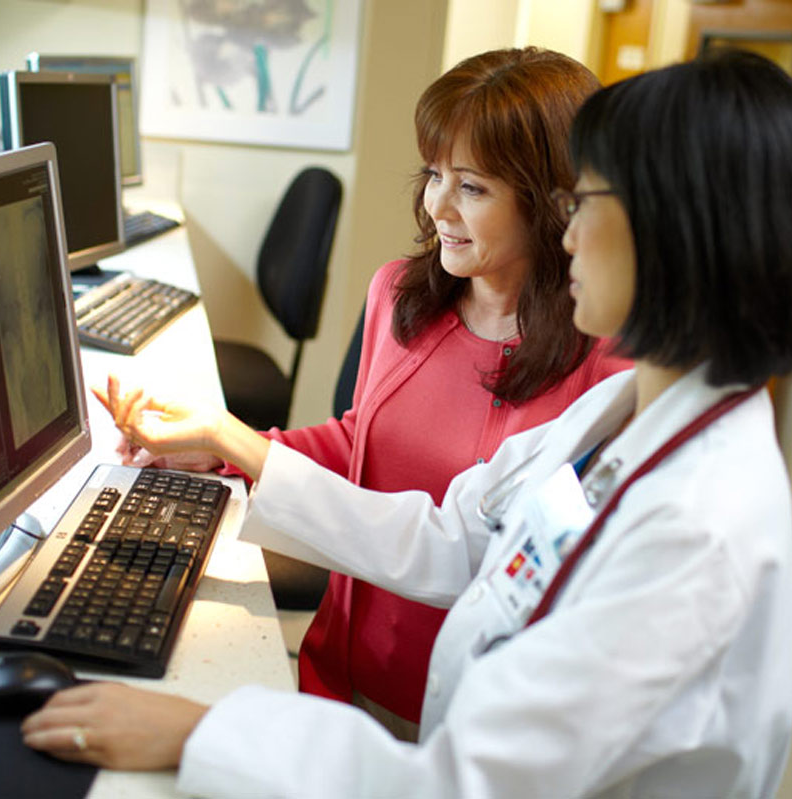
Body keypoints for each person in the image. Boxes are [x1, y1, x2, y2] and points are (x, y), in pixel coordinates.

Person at [24, 48, 792, 797]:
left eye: (585, 200)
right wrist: (234, 445)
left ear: (674, 235)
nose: (569, 229)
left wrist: (205, 730)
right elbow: (456, 538)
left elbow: (466, 786)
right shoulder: (628, 416)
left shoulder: (694, 532)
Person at [118, 46, 630, 736]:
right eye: (433, 174)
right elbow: (359, 443)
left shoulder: (604, 369)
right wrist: (217, 450)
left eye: (471, 188)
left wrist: (231, 440)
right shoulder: (400, 293)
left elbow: (464, 550)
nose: (437, 205)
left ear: (548, 203)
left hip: (454, 729)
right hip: (334, 676)